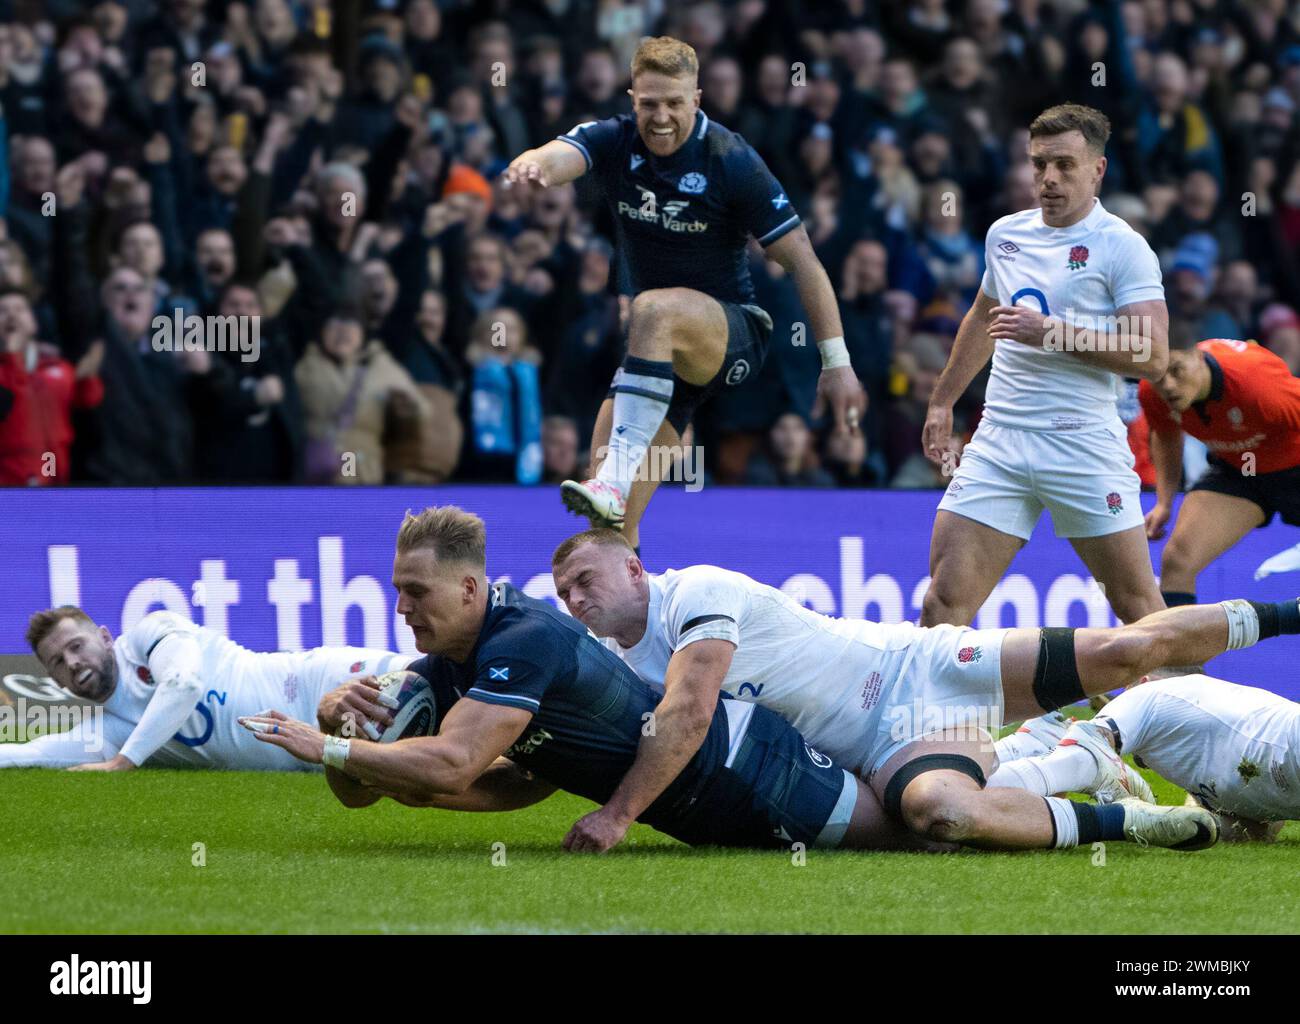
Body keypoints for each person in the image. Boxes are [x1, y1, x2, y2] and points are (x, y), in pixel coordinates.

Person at [549, 528, 1300, 853]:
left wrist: (618, 818)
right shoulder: (609, 661)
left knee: (1126, 646)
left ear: (636, 570)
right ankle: (1128, 819)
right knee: (942, 816)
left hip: (919, 665)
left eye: (585, 579)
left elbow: (688, 710)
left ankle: (1291, 612)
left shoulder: (696, 590)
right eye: (562, 592)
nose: (575, 598)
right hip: (886, 745)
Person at [240, 506, 935, 853]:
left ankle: (1036, 765)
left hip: (753, 769)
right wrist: (342, 728)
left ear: (469, 589)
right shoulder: (453, 669)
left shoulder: (526, 638)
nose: (401, 608)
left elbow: (452, 764)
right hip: (701, 803)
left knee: (928, 830)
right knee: (927, 820)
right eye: (396, 590)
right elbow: (512, 781)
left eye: (416, 590)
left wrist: (326, 748)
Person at [502, 36, 863, 548]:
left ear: (697, 99)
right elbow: (560, 153)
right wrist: (533, 164)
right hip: (655, 362)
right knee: (607, 531)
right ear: (632, 99)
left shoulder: (731, 160)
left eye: (675, 102)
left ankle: (613, 478)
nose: (661, 117)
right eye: (649, 104)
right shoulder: (614, 140)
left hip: (733, 333)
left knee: (651, 310)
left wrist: (837, 362)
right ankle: (624, 618)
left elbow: (804, 262)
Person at [921, 103, 1170, 628]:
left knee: (1140, 613)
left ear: (1097, 169)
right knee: (942, 607)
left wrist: (1050, 333)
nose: (1048, 179)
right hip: (1001, 440)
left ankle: (1188, 710)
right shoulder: (1005, 235)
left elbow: (1153, 355)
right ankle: (944, 716)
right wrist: (943, 399)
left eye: (1064, 165)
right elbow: (983, 315)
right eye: (1039, 165)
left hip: (1080, 442)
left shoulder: (1123, 247)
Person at [4, 606, 411, 771]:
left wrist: (125, 762)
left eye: (77, 646)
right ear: (54, 680)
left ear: (106, 637)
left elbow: (184, 683)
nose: (73, 663)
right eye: (58, 662)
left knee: (443, 682)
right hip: (311, 750)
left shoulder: (151, 632)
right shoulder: (114, 729)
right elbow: (35, 753)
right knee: (426, 757)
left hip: (322, 680)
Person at [990, 674, 1300, 843]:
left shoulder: (1151, 694)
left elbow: (1087, 748)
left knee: (1080, 760)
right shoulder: (1178, 716)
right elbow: (1257, 827)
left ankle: (972, 782)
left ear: (1143, 679)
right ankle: (979, 776)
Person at [1142, 339, 1300, 606]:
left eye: (1177, 370)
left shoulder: (1258, 385)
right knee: (1178, 560)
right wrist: (1164, 502)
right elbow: (1166, 435)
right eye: (1159, 375)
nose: (1167, 385)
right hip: (1241, 469)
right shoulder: (1152, 392)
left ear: (1199, 357)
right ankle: (1179, 649)